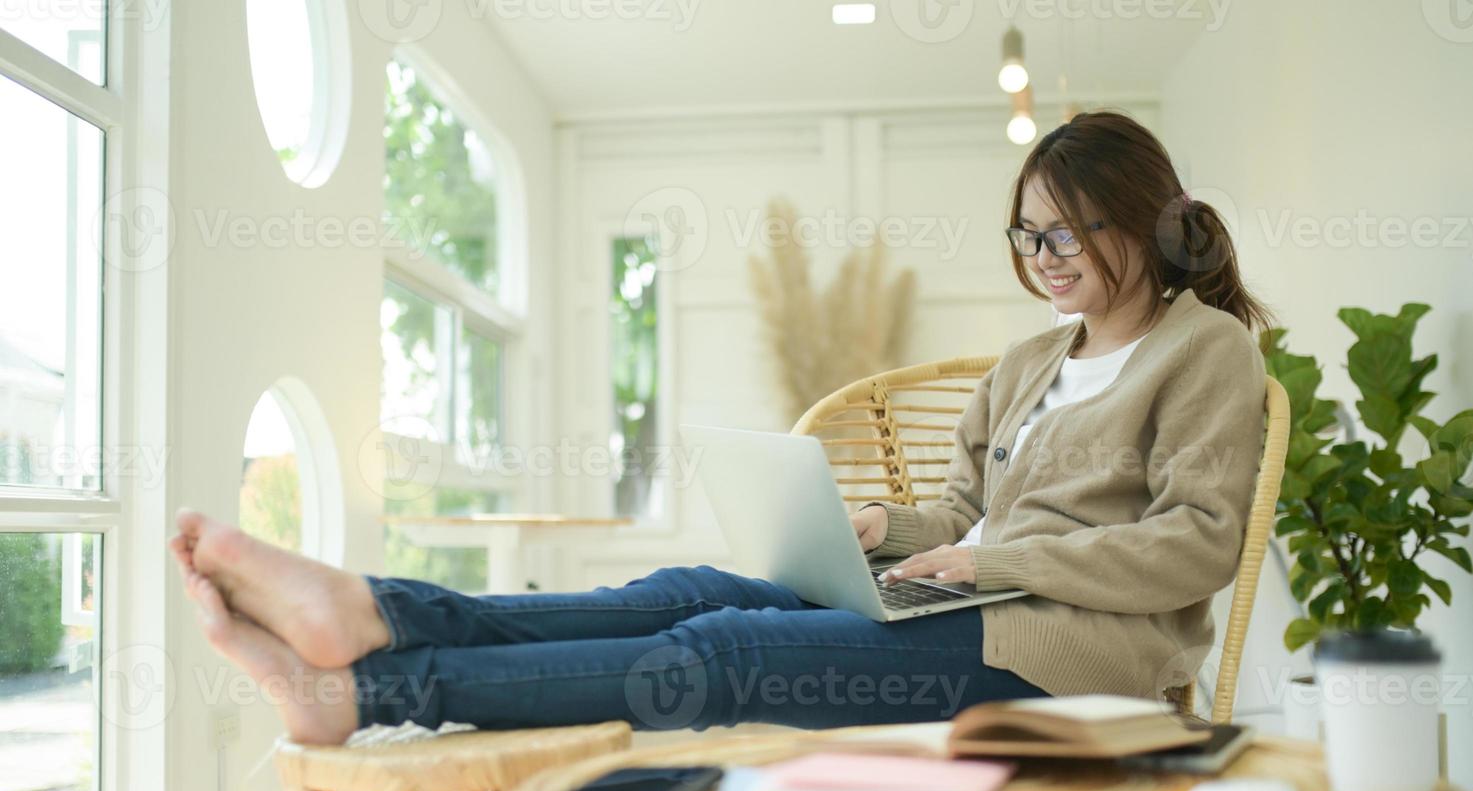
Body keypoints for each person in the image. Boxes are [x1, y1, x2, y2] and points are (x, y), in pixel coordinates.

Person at [171, 110, 1269, 751]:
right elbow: (970, 519)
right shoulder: (1031, 361)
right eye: (1027, 234)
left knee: (725, 651)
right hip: (969, 607)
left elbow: (1196, 543)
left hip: (1073, 653)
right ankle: (378, 610)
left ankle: (367, 691)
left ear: (1141, 216)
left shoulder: (1204, 347)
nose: (1045, 254)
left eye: (1068, 229)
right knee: (687, 590)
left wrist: (989, 556)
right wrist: (890, 525)